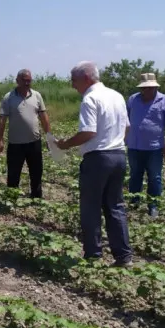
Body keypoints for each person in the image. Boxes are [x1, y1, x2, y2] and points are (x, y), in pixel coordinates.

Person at [56, 61, 133, 267]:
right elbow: (126, 128)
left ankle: (93, 255)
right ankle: (123, 257)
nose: (73, 85)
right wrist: (114, 141)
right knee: (115, 206)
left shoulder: (90, 98)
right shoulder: (117, 96)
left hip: (99, 159)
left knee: (90, 208)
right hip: (118, 155)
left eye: (74, 81)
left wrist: (66, 144)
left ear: (86, 78)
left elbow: (88, 132)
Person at [125, 72, 165, 218]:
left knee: (154, 177)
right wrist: (123, 138)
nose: (147, 90)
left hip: (154, 148)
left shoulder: (164, 100)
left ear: (155, 87)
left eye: (150, 88)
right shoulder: (132, 100)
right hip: (134, 146)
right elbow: (125, 120)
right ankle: (134, 202)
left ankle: (153, 206)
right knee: (135, 175)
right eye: (144, 88)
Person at [0, 69, 51, 198]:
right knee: (13, 173)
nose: (27, 83)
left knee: (36, 172)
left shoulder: (37, 96)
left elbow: (43, 116)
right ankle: (12, 198)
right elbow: (2, 119)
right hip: (16, 143)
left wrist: (49, 137)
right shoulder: (9, 97)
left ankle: (36, 197)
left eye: (29, 80)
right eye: (24, 80)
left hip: (34, 142)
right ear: (17, 81)